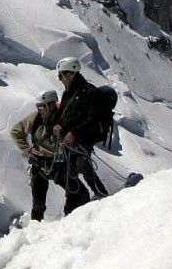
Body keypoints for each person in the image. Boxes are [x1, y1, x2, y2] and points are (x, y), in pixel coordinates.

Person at [54, 55, 111, 211]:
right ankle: (72, 205)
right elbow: (63, 115)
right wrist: (58, 126)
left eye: (62, 75)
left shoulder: (89, 92)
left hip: (84, 137)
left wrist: (73, 132)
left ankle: (100, 193)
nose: (60, 79)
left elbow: (93, 118)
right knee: (68, 171)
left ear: (71, 73)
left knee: (82, 163)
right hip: (68, 140)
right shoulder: (68, 93)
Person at [9, 89, 65, 220]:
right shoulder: (35, 118)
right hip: (40, 165)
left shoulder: (63, 118)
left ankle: (73, 222)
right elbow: (16, 131)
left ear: (51, 105)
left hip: (59, 164)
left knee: (76, 194)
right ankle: (36, 229)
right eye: (38, 106)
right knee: (38, 205)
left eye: (42, 106)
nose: (40, 109)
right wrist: (28, 149)